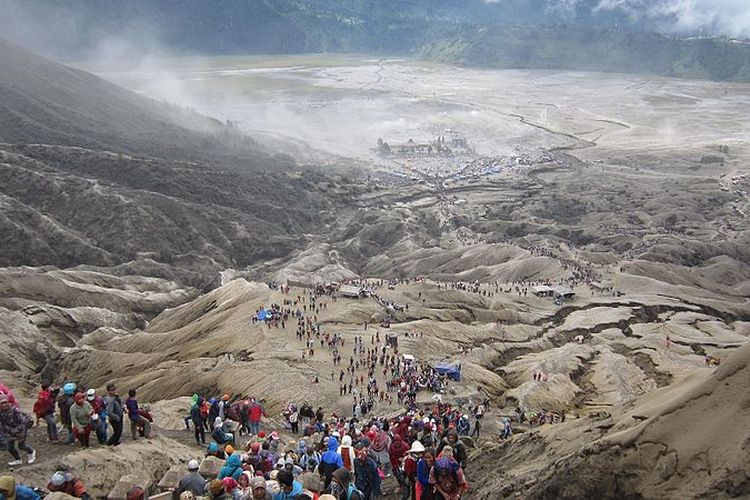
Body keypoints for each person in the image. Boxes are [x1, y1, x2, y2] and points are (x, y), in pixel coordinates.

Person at [0, 394, 35, 466]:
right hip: (9, 431)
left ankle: (31, 452)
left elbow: (22, 422)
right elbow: (3, 424)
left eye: (5, 402)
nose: (4, 405)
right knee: (10, 447)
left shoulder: (15, 411)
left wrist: (18, 431)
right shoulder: (1, 413)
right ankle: (18, 459)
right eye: (2, 403)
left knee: (21, 445)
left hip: (20, 429)